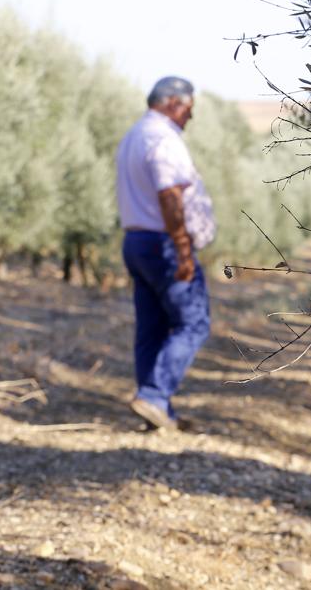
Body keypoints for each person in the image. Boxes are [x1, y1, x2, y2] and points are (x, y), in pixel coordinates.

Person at [115, 76, 216, 431]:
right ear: (174, 103)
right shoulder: (162, 139)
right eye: (190, 108)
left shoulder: (134, 136)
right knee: (193, 322)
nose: (191, 117)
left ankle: (158, 411)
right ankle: (155, 397)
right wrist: (183, 250)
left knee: (152, 328)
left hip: (137, 242)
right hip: (163, 245)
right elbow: (169, 195)